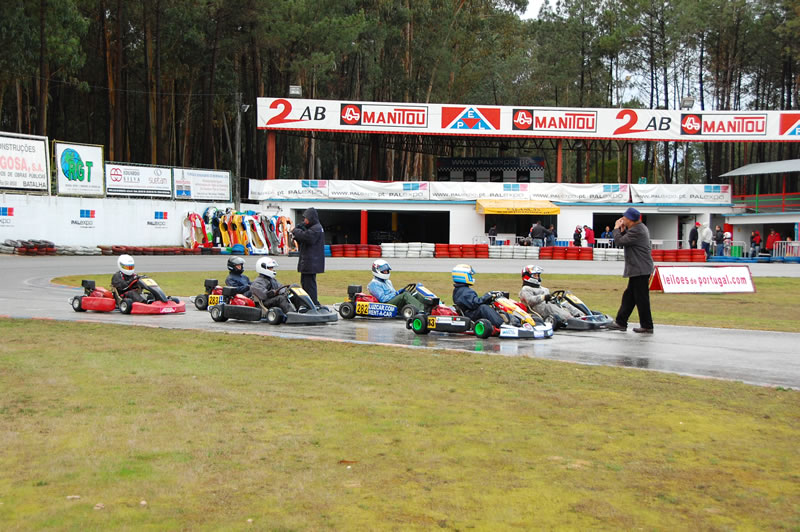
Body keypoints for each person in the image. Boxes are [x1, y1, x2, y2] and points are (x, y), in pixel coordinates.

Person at [606, 207, 654, 334]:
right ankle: (621, 322)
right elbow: (625, 240)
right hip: (638, 268)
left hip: (640, 268)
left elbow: (619, 241)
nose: (623, 220)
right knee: (629, 297)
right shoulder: (637, 228)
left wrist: (616, 228)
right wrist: (622, 231)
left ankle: (647, 325)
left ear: (631, 220)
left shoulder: (637, 231)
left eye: (625, 218)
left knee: (641, 298)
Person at [451, 264, 505, 329]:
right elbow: (475, 304)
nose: (471, 277)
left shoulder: (461, 289)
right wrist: (488, 295)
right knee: (483, 308)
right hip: (469, 315)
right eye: (470, 275)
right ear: (463, 276)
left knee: (494, 306)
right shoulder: (464, 291)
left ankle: (509, 320)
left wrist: (489, 298)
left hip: (470, 312)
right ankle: (501, 324)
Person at [291, 207, 325, 306]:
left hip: (311, 262)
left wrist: (295, 231)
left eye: (306, 218)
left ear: (311, 218)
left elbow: (306, 237)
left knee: (309, 285)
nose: (304, 220)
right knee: (306, 283)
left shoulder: (316, 229)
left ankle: (312, 304)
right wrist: (299, 229)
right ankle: (309, 303)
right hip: (310, 262)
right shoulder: (314, 228)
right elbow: (302, 237)